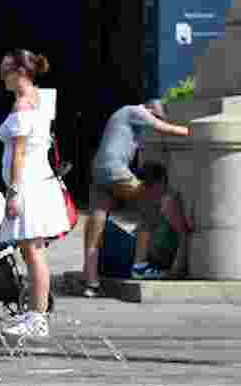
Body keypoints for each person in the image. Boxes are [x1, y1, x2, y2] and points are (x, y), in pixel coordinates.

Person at [81, 100, 190, 296]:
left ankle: (90, 281)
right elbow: (163, 127)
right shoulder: (134, 111)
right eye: (154, 117)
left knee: (96, 224)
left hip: (99, 170)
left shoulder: (123, 118)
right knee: (149, 206)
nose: (151, 124)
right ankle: (140, 267)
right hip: (115, 169)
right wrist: (191, 131)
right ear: (150, 111)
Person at [0, 49, 70, 339]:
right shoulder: (41, 97)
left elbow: (18, 153)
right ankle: (34, 313)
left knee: (33, 252)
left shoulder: (23, 105)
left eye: (6, 72)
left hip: (28, 185)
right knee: (32, 251)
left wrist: (13, 192)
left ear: (20, 73)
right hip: (39, 181)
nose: (2, 78)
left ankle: (37, 318)